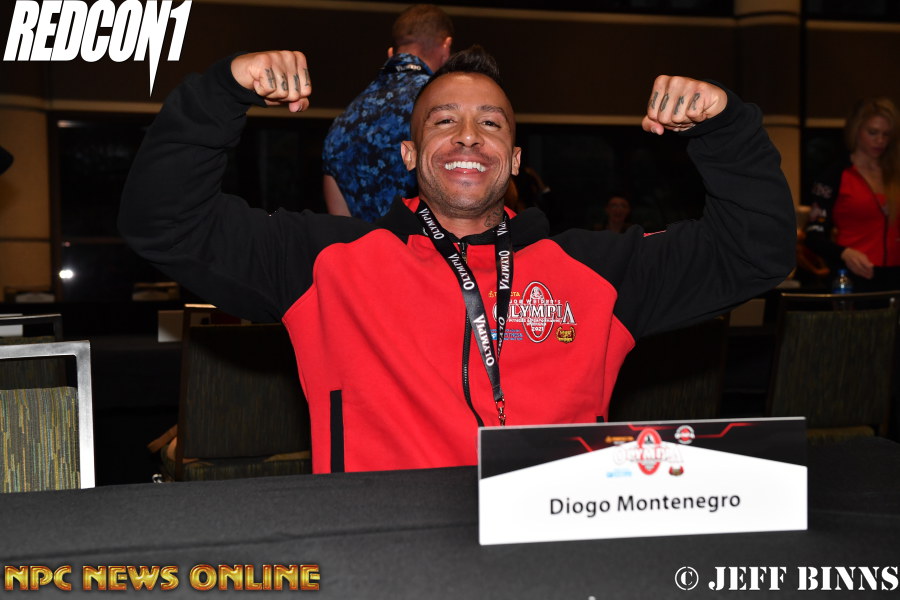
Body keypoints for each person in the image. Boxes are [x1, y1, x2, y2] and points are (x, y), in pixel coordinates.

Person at [119, 46, 795, 474]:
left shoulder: (599, 272)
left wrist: (725, 129)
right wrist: (220, 94)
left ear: (516, 160)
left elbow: (754, 252)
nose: (468, 136)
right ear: (410, 155)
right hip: (385, 561)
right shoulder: (324, 264)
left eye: (490, 123)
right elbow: (164, 221)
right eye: (443, 121)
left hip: (554, 551)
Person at [321, 4, 453, 221]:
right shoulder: (443, 103)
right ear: (446, 48)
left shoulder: (344, 121)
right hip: (431, 242)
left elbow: (340, 223)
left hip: (362, 242)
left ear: (391, 53)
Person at [805, 97, 900, 292]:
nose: (880, 141)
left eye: (886, 134)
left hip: (895, 279)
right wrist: (844, 253)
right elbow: (813, 236)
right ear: (856, 130)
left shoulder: (895, 175)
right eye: (873, 132)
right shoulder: (834, 176)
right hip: (854, 278)